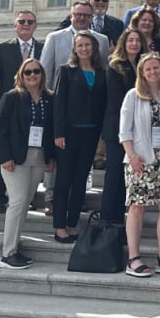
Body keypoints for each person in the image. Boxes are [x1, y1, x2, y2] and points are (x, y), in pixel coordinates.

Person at [119, 53, 160, 278]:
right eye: (148, 69)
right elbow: (124, 130)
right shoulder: (133, 96)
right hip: (140, 160)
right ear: (142, 73)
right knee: (137, 208)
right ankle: (134, 258)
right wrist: (132, 155)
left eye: (156, 68)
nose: (153, 72)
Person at [0, 58, 55, 269]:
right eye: (27, 72)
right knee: (18, 202)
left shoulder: (49, 98)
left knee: (25, 203)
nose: (32, 75)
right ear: (21, 75)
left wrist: (50, 158)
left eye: (36, 71)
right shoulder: (12, 97)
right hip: (15, 158)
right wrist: (4, 157)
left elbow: (52, 129)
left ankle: (15, 248)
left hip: (38, 157)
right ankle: (7, 253)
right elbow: (0, 129)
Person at [0, 11, 43, 213]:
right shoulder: (2, 48)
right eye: (22, 21)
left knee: (29, 151)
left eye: (30, 22)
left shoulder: (43, 48)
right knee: (4, 150)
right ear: (15, 25)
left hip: (35, 106)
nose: (26, 24)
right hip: (8, 106)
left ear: (35, 26)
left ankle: (27, 195)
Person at [53, 31, 107, 243]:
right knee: (64, 180)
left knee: (80, 180)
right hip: (68, 132)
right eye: (80, 45)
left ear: (94, 48)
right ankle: (59, 225)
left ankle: (72, 223)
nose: (84, 49)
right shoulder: (66, 71)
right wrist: (58, 133)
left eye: (87, 45)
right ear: (75, 48)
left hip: (91, 132)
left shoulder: (101, 72)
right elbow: (59, 103)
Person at [101, 30, 149, 224]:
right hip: (117, 128)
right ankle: (108, 221)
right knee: (114, 174)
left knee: (129, 176)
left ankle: (122, 220)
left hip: (140, 129)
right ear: (123, 42)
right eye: (130, 40)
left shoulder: (144, 65)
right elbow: (115, 99)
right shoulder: (115, 66)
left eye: (138, 40)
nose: (134, 43)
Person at [40, 1, 111, 86]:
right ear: (71, 16)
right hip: (61, 94)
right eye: (78, 14)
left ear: (92, 18)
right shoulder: (54, 38)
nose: (82, 18)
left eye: (86, 15)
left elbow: (104, 70)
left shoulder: (102, 40)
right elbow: (45, 71)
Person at [57, 0, 125, 47]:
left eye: (105, 0)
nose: (101, 2)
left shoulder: (117, 24)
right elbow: (59, 37)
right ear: (89, 1)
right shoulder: (75, 19)